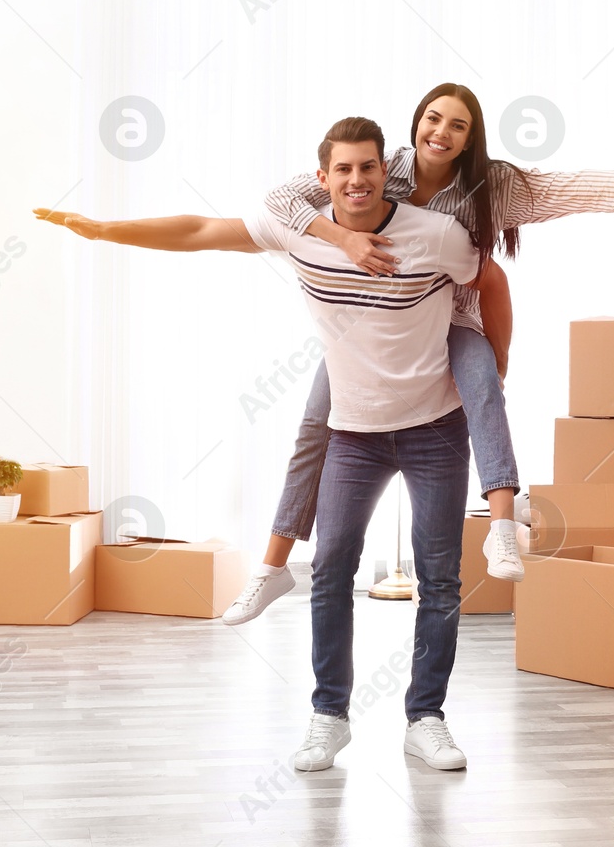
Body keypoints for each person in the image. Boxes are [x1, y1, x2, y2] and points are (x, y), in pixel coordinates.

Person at [36, 116, 482, 772]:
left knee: (440, 578)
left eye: (367, 166)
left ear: (385, 171)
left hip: (435, 428)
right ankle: (329, 716)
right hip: (353, 433)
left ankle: (427, 718)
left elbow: (486, 287)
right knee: (331, 569)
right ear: (322, 177)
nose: (356, 179)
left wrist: (493, 376)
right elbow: (199, 231)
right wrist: (105, 230)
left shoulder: (438, 235)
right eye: (343, 169)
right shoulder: (299, 230)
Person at [215, 82, 614, 625]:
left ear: (470, 139)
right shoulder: (379, 167)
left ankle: (503, 527)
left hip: (453, 320)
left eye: (457, 126)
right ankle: (272, 569)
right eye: (433, 119)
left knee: (484, 386)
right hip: (376, 330)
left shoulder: (493, 186)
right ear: (416, 122)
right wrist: (339, 237)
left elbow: (575, 189)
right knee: (312, 427)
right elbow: (280, 200)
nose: (441, 132)